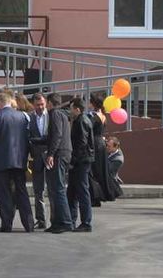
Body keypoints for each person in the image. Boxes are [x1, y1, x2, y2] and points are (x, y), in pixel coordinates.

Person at [0, 91, 33, 233]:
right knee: (22, 192)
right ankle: (29, 224)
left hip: (1, 161)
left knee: (4, 193)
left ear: (0, 102)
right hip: (19, 160)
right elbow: (27, 137)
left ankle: (7, 224)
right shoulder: (22, 117)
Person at [44, 93, 74, 233]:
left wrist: (51, 154)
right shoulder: (62, 114)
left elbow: (57, 135)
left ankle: (66, 222)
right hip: (65, 152)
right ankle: (57, 222)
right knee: (55, 188)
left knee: (58, 188)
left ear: (49, 102)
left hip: (59, 154)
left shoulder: (55, 114)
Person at [67, 97, 95, 231]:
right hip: (81, 160)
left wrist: (73, 160)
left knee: (82, 191)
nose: (70, 111)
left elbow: (81, 143)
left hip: (81, 161)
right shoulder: (83, 120)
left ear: (77, 109)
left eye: (71, 109)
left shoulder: (81, 121)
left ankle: (86, 222)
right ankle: (71, 220)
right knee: (72, 191)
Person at [27, 93, 50, 229]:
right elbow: (27, 137)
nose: (40, 107)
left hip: (50, 156)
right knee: (38, 190)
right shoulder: (29, 118)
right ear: (33, 105)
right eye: (37, 105)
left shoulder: (52, 116)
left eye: (42, 104)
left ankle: (56, 219)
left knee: (53, 190)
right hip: (36, 158)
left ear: (45, 103)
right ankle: (41, 220)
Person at [87, 93, 113, 206]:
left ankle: (95, 197)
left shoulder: (94, 117)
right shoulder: (103, 116)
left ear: (93, 104)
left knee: (93, 171)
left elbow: (88, 129)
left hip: (95, 144)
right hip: (101, 144)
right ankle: (100, 195)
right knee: (100, 171)